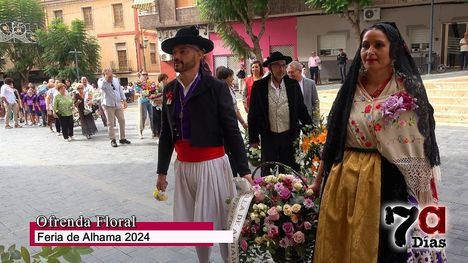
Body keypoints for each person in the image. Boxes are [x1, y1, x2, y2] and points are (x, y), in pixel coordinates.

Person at [312, 22, 446, 263]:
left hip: (391, 180)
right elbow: (333, 139)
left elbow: (422, 141)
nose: (369, 51)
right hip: (345, 179)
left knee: (385, 247)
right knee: (341, 243)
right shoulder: (351, 89)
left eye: (378, 45)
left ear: (393, 49)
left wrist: (424, 190)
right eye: (365, 45)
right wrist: (318, 180)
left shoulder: (408, 89)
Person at [156, 26, 253, 263]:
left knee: (220, 222)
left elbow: (232, 131)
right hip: (185, 167)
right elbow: (167, 134)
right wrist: (162, 171)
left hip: (212, 165)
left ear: (200, 54)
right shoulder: (170, 90)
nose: (176, 57)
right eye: (174, 52)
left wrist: (244, 170)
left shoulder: (216, 88)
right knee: (197, 224)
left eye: (183, 51)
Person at [248, 52, 312, 176]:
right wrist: (253, 138)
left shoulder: (293, 84)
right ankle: (267, 194)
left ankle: (289, 195)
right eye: (277, 65)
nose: (281, 69)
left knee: (289, 173)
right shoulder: (259, 86)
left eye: (283, 65)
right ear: (270, 67)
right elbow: (253, 113)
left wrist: (309, 130)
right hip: (268, 136)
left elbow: (301, 109)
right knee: (268, 173)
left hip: (289, 136)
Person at [216, 66, 249, 177]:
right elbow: (233, 110)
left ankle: (235, 175)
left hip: (233, 124)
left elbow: (236, 109)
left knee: (234, 153)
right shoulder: (221, 91)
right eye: (231, 77)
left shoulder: (230, 89)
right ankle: (233, 176)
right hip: (226, 128)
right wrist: (243, 123)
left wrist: (242, 122)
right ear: (225, 78)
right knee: (231, 152)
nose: (233, 79)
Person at [98, 68, 131, 147]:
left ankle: (122, 138)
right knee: (111, 123)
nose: (111, 77)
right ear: (104, 75)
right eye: (109, 75)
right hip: (108, 105)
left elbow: (120, 90)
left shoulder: (116, 80)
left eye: (111, 74)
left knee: (122, 120)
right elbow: (102, 87)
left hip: (118, 103)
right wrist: (106, 78)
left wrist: (124, 100)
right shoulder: (101, 81)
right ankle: (112, 139)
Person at [134, 71, 155, 139]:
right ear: (140, 75)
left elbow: (153, 90)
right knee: (143, 117)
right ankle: (140, 132)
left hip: (150, 101)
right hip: (142, 101)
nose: (145, 76)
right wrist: (141, 93)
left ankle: (153, 131)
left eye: (146, 74)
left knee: (152, 116)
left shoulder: (149, 83)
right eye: (143, 74)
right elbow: (136, 93)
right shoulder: (137, 83)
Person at [152, 73, 168, 143]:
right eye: (165, 79)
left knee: (164, 122)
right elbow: (152, 97)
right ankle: (158, 136)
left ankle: (163, 136)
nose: (166, 80)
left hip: (164, 107)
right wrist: (157, 101)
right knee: (158, 122)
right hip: (157, 107)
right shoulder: (158, 87)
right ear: (161, 80)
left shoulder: (167, 86)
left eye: (166, 79)